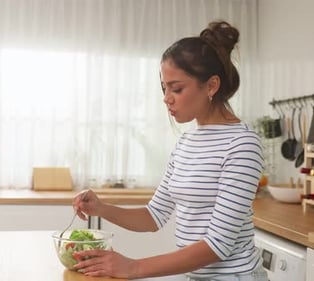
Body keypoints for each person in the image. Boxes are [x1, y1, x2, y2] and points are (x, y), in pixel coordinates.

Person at [72, 20, 267, 281]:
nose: (166, 98)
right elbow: (153, 216)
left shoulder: (242, 144)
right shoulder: (186, 144)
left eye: (177, 88)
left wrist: (133, 267)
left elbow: (218, 245)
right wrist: (101, 208)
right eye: (164, 88)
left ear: (211, 86)